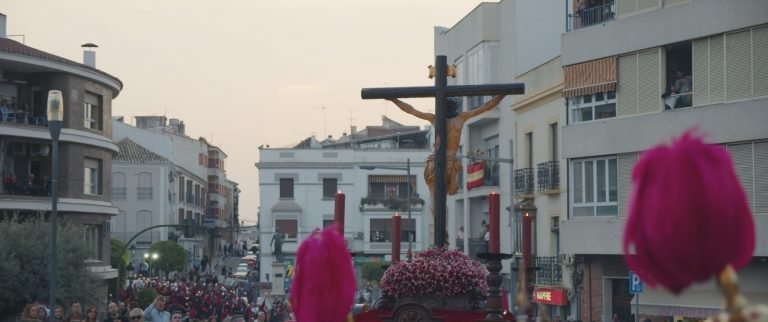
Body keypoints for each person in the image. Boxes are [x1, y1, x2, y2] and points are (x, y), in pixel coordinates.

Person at [388, 95, 506, 196]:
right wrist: (502, 95)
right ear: (455, 107)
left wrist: (394, 100)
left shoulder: (436, 118)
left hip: (436, 159)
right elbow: (486, 106)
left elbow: (411, 110)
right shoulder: (461, 118)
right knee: (441, 198)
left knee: (436, 198)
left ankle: (437, 216)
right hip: (445, 159)